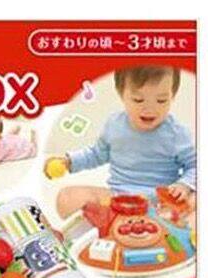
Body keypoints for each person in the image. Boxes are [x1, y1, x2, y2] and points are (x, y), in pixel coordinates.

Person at [45, 65, 196, 218]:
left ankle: (159, 221)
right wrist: (69, 162)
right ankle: (114, 221)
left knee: (197, 200)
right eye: (138, 100)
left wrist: (183, 185)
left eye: (161, 101)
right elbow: (96, 154)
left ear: (173, 96)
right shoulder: (114, 125)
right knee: (67, 198)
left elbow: (195, 166)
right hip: (118, 198)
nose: (150, 108)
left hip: (161, 202)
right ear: (121, 94)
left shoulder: (177, 133)